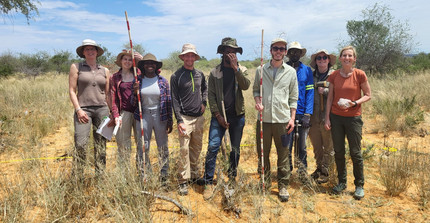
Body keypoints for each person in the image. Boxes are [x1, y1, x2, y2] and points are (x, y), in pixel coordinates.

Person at [202, 37, 250, 200]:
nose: (230, 54)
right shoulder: (215, 72)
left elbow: (245, 86)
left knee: (234, 149)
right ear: (222, 52)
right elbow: (211, 96)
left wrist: (235, 68)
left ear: (236, 53)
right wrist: (217, 115)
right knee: (213, 146)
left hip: (237, 116)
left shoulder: (241, 69)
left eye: (233, 52)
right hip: (219, 117)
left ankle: (232, 178)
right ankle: (208, 181)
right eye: (227, 51)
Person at [254, 38, 298, 202]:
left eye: (282, 49)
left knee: (283, 154)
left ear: (285, 52)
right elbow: (255, 91)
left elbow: (294, 97)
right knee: (263, 154)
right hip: (263, 120)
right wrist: (258, 101)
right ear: (271, 50)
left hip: (283, 120)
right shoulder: (261, 70)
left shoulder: (290, 72)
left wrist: (292, 118)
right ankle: (264, 182)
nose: (278, 51)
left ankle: (283, 185)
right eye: (275, 48)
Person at [324, 46, 371, 200]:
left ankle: (359, 185)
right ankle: (342, 182)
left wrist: (355, 103)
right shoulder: (334, 76)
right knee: (338, 152)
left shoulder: (359, 75)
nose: (347, 58)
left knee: (355, 152)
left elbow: (368, 95)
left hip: (353, 118)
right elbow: (330, 98)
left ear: (354, 59)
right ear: (340, 58)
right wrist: (327, 118)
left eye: (350, 55)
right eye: (344, 55)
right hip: (336, 118)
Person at [69, 39, 110, 179]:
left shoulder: (105, 70)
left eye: (93, 49)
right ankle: (78, 176)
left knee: (101, 144)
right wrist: (78, 110)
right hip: (84, 109)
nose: (90, 51)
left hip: (102, 109)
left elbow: (108, 93)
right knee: (81, 143)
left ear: (97, 52)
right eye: (87, 49)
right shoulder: (76, 67)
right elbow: (71, 90)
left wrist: (112, 113)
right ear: (83, 52)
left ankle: (100, 175)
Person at [171, 43, 207, 195]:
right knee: (184, 150)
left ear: (195, 58)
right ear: (183, 57)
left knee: (196, 148)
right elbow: (174, 99)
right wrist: (179, 120)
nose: (190, 58)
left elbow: (205, 89)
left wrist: (204, 102)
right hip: (184, 118)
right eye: (187, 55)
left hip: (199, 118)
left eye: (192, 55)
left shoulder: (200, 74)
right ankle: (182, 180)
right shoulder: (176, 76)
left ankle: (194, 175)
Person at [133, 53, 173, 183]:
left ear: (156, 66)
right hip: (143, 114)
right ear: (143, 66)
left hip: (160, 115)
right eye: (147, 63)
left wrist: (170, 120)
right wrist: (135, 92)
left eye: (152, 63)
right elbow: (133, 102)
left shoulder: (162, 81)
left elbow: (168, 101)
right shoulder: (138, 80)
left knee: (163, 146)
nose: (150, 65)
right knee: (143, 146)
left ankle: (164, 176)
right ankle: (145, 176)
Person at [110, 50, 142, 169]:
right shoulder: (115, 77)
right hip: (124, 113)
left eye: (130, 59)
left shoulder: (139, 73)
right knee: (123, 144)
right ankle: (124, 174)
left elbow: (156, 71)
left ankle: (141, 171)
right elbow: (113, 97)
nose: (127, 62)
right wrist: (115, 115)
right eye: (125, 59)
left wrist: (142, 60)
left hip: (139, 113)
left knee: (141, 142)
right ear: (121, 61)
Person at [286, 41, 314, 179]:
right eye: (292, 51)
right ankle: (287, 170)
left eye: (297, 51)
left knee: (302, 146)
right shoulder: (282, 68)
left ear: (300, 54)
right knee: (287, 144)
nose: (294, 54)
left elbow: (310, 93)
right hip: (286, 113)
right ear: (288, 53)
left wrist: (308, 114)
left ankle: (302, 171)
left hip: (302, 112)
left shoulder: (307, 70)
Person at [308, 49, 336, 184]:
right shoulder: (311, 76)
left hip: (328, 116)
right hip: (313, 117)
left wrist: (325, 91)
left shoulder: (335, 76)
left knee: (328, 147)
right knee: (317, 146)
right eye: (319, 58)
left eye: (324, 57)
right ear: (316, 61)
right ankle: (318, 168)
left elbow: (339, 93)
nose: (322, 60)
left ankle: (327, 172)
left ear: (329, 60)